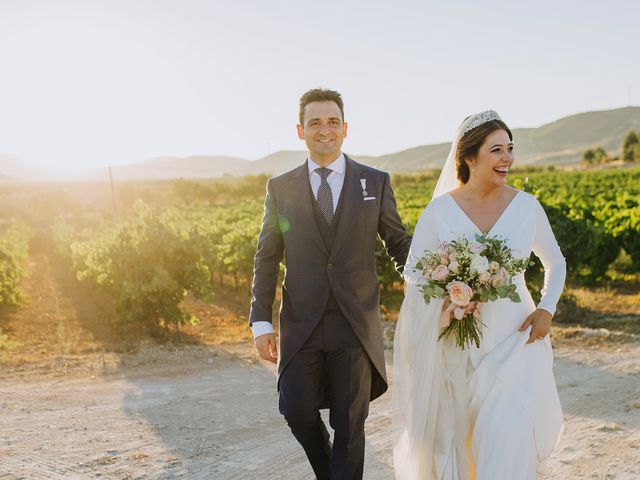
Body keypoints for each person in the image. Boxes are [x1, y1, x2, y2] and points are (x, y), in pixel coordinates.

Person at [392, 110, 566, 479]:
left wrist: (547, 308)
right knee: (463, 438)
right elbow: (413, 272)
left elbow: (556, 262)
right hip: (459, 346)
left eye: (510, 149)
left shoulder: (527, 207)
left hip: (517, 338)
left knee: (506, 438)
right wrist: (447, 301)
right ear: (470, 157)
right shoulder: (440, 211)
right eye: (497, 150)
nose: (508, 158)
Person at [250, 87, 412, 480]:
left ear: (345, 128)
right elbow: (267, 257)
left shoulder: (375, 182)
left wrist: (430, 274)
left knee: (350, 424)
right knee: (296, 411)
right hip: (301, 322)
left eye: (332, 122)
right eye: (315, 122)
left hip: (355, 323)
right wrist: (261, 321)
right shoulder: (280, 187)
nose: (325, 129)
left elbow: (398, 242)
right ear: (300, 130)